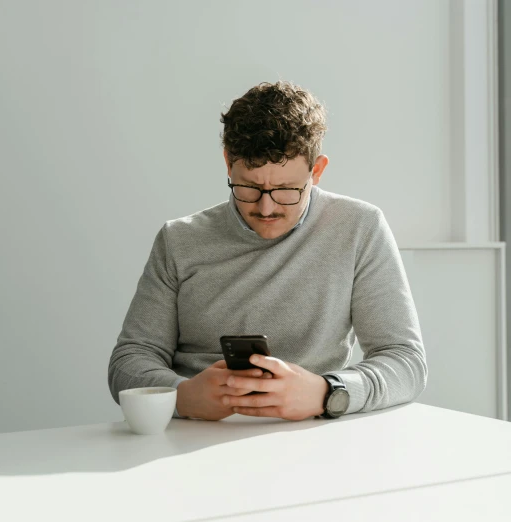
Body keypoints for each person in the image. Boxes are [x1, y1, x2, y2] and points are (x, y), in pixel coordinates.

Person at [108, 81, 427, 421]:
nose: (266, 207)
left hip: (312, 437)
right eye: (249, 187)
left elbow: (405, 361)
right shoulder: (179, 240)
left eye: (287, 189)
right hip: (193, 434)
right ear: (228, 163)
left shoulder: (359, 227)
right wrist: (181, 396)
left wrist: (327, 392)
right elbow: (130, 360)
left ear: (316, 171)